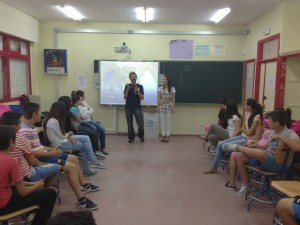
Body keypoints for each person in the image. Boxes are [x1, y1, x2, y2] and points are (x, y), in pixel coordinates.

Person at [18, 102, 99, 210]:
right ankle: (81, 200)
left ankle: (84, 185)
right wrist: (51, 153)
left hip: (46, 153)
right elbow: (30, 153)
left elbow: (37, 146)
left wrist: (50, 149)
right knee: (71, 167)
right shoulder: (24, 131)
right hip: (41, 158)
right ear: (34, 114)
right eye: (39, 112)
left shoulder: (32, 127)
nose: (41, 113)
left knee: (74, 158)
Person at [223, 109, 299, 197]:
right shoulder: (271, 132)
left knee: (262, 153)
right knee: (240, 155)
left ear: (276, 123)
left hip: (278, 164)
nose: (268, 123)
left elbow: (298, 147)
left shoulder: (290, 133)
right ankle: (247, 185)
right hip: (266, 160)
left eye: (270, 121)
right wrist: (255, 146)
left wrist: (280, 137)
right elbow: (266, 147)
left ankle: (237, 147)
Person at [0, 125, 57, 225]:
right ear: (10, 143)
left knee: (26, 179)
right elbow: (23, 192)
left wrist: (29, 184)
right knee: (50, 194)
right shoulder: (12, 161)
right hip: (4, 206)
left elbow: (5, 182)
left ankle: (30, 212)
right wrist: (36, 186)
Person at [0, 111, 60, 187]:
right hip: (26, 175)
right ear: (14, 127)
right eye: (20, 124)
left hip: (7, 178)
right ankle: (43, 189)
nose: (21, 126)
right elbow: (33, 162)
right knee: (57, 167)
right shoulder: (20, 139)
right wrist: (41, 164)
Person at [44, 101, 106, 173]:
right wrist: (69, 135)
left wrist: (69, 137)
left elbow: (61, 135)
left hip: (62, 140)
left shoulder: (53, 119)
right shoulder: (54, 121)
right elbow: (61, 136)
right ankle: (87, 170)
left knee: (86, 138)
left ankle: (93, 161)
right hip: (59, 143)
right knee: (85, 146)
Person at [203, 100, 241, 174]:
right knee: (211, 137)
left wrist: (232, 138)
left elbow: (238, 130)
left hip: (230, 136)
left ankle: (206, 138)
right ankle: (220, 151)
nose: (225, 107)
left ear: (230, 107)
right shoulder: (230, 116)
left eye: (226, 106)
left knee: (213, 125)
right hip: (227, 133)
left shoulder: (235, 117)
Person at [74, 90, 108, 155]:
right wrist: (89, 113)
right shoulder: (77, 105)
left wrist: (87, 113)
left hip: (90, 121)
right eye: (83, 96)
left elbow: (92, 110)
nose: (84, 97)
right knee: (94, 129)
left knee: (102, 130)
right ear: (80, 97)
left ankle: (102, 148)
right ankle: (94, 149)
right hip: (84, 122)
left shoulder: (85, 102)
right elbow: (83, 117)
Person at [123, 71, 145, 144]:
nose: (133, 78)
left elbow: (142, 98)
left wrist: (138, 91)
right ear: (129, 78)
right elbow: (125, 97)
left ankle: (141, 136)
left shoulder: (140, 86)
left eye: (134, 77)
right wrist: (127, 90)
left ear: (136, 77)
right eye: (131, 77)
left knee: (141, 123)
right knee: (129, 124)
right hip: (128, 108)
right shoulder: (127, 86)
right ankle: (131, 139)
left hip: (137, 107)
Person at [157, 75, 176, 142]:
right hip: (162, 107)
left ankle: (168, 135)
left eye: (165, 79)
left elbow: (173, 99)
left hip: (169, 107)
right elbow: (158, 98)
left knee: (168, 122)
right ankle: (163, 135)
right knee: (162, 122)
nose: (164, 80)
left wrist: (173, 107)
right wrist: (158, 106)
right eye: (163, 79)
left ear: (168, 80)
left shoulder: (172, 88)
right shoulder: (160, 88)